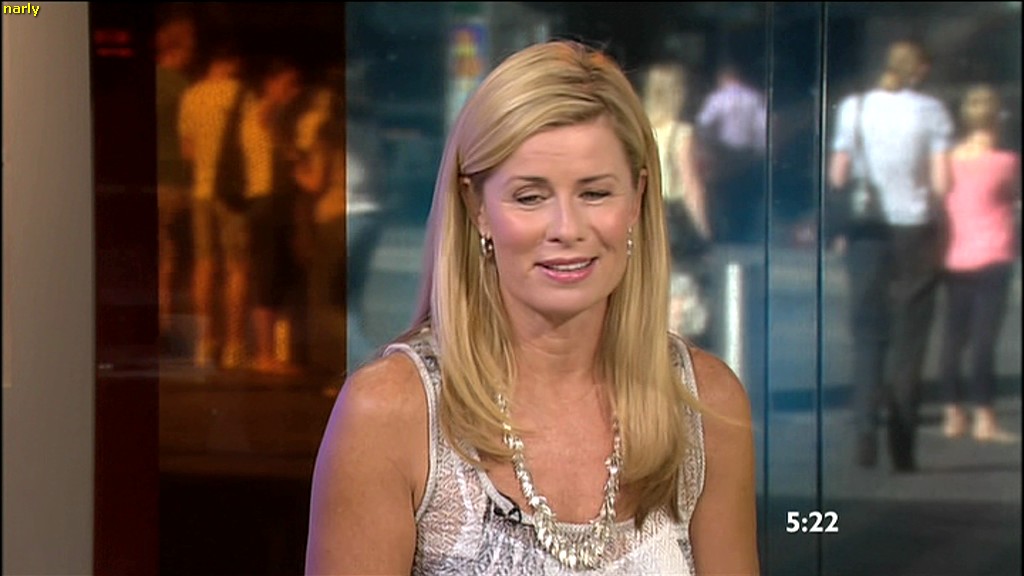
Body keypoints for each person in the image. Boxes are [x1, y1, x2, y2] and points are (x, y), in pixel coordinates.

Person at [305, 40, 759, 575]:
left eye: (595, 193)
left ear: (637, 200)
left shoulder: (705, 406)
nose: (567, 229)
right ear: (476, 206)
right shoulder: (391, 414)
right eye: (530, 197)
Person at [827, 39, 954, 472]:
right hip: (914, 229)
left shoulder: (855, 107)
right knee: (910, 340)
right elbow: (941, 183)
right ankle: (902, 443)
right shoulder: (931, 112)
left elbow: (838, 174)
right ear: (919, 71)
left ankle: (865, 430)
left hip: (867, 229)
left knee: (867, 333)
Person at [938, 84, 1020, 443]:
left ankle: (952, 413)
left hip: (957, 256)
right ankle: (985, 417)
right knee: (984, 341)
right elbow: (1012, 196)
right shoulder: (1006, 162)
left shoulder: (949, 161)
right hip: (995, 254)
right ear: (995, 121)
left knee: (953, 339)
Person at [178, 45, 249, 369]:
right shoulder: (241, 93)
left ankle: (205, 342)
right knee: (237, 267)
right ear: (231, 61)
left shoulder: (192, 96)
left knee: (204, 264)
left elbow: (187, 151)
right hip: (234, 193)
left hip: (202, 190)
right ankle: (234, 345)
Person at [642, 60, 712, 343]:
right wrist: (704, 228)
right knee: (679, 293)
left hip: (644, 217)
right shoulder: (680, 133)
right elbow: (691, 185)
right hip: (673, 220)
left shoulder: (640, 131)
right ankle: (674, 357)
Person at [695, 60, 767, 244]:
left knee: (725, 194)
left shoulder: (717, 99)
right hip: (747, 154)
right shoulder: (753, 98)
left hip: (724, 154)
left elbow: (704, 124)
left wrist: (709, 145)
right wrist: (760, 151)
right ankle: (746, 232)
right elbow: (762, 127)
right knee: (747, 194)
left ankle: (729, 232)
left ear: (723, 78)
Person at [155, 14, 195, 339]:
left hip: (148, 180)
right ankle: (166, 320)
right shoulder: (182, 87)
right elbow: (189, 145)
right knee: (171, 256)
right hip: (176, 182)